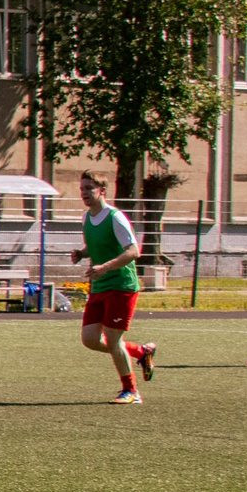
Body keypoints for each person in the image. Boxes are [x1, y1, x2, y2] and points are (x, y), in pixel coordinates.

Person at [72, 171, 156, 403]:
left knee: (112, 338)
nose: (84, 193)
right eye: (82, 189)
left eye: (89, 188)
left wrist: (105, 267)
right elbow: (95, 245)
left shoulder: (116, 217)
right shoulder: (86, 218)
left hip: (121, 285)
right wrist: (81, 253)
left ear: (102, 191)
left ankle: (131, 391)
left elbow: (133, 251)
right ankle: (141, 352)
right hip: (99, 285)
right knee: (89, 339)